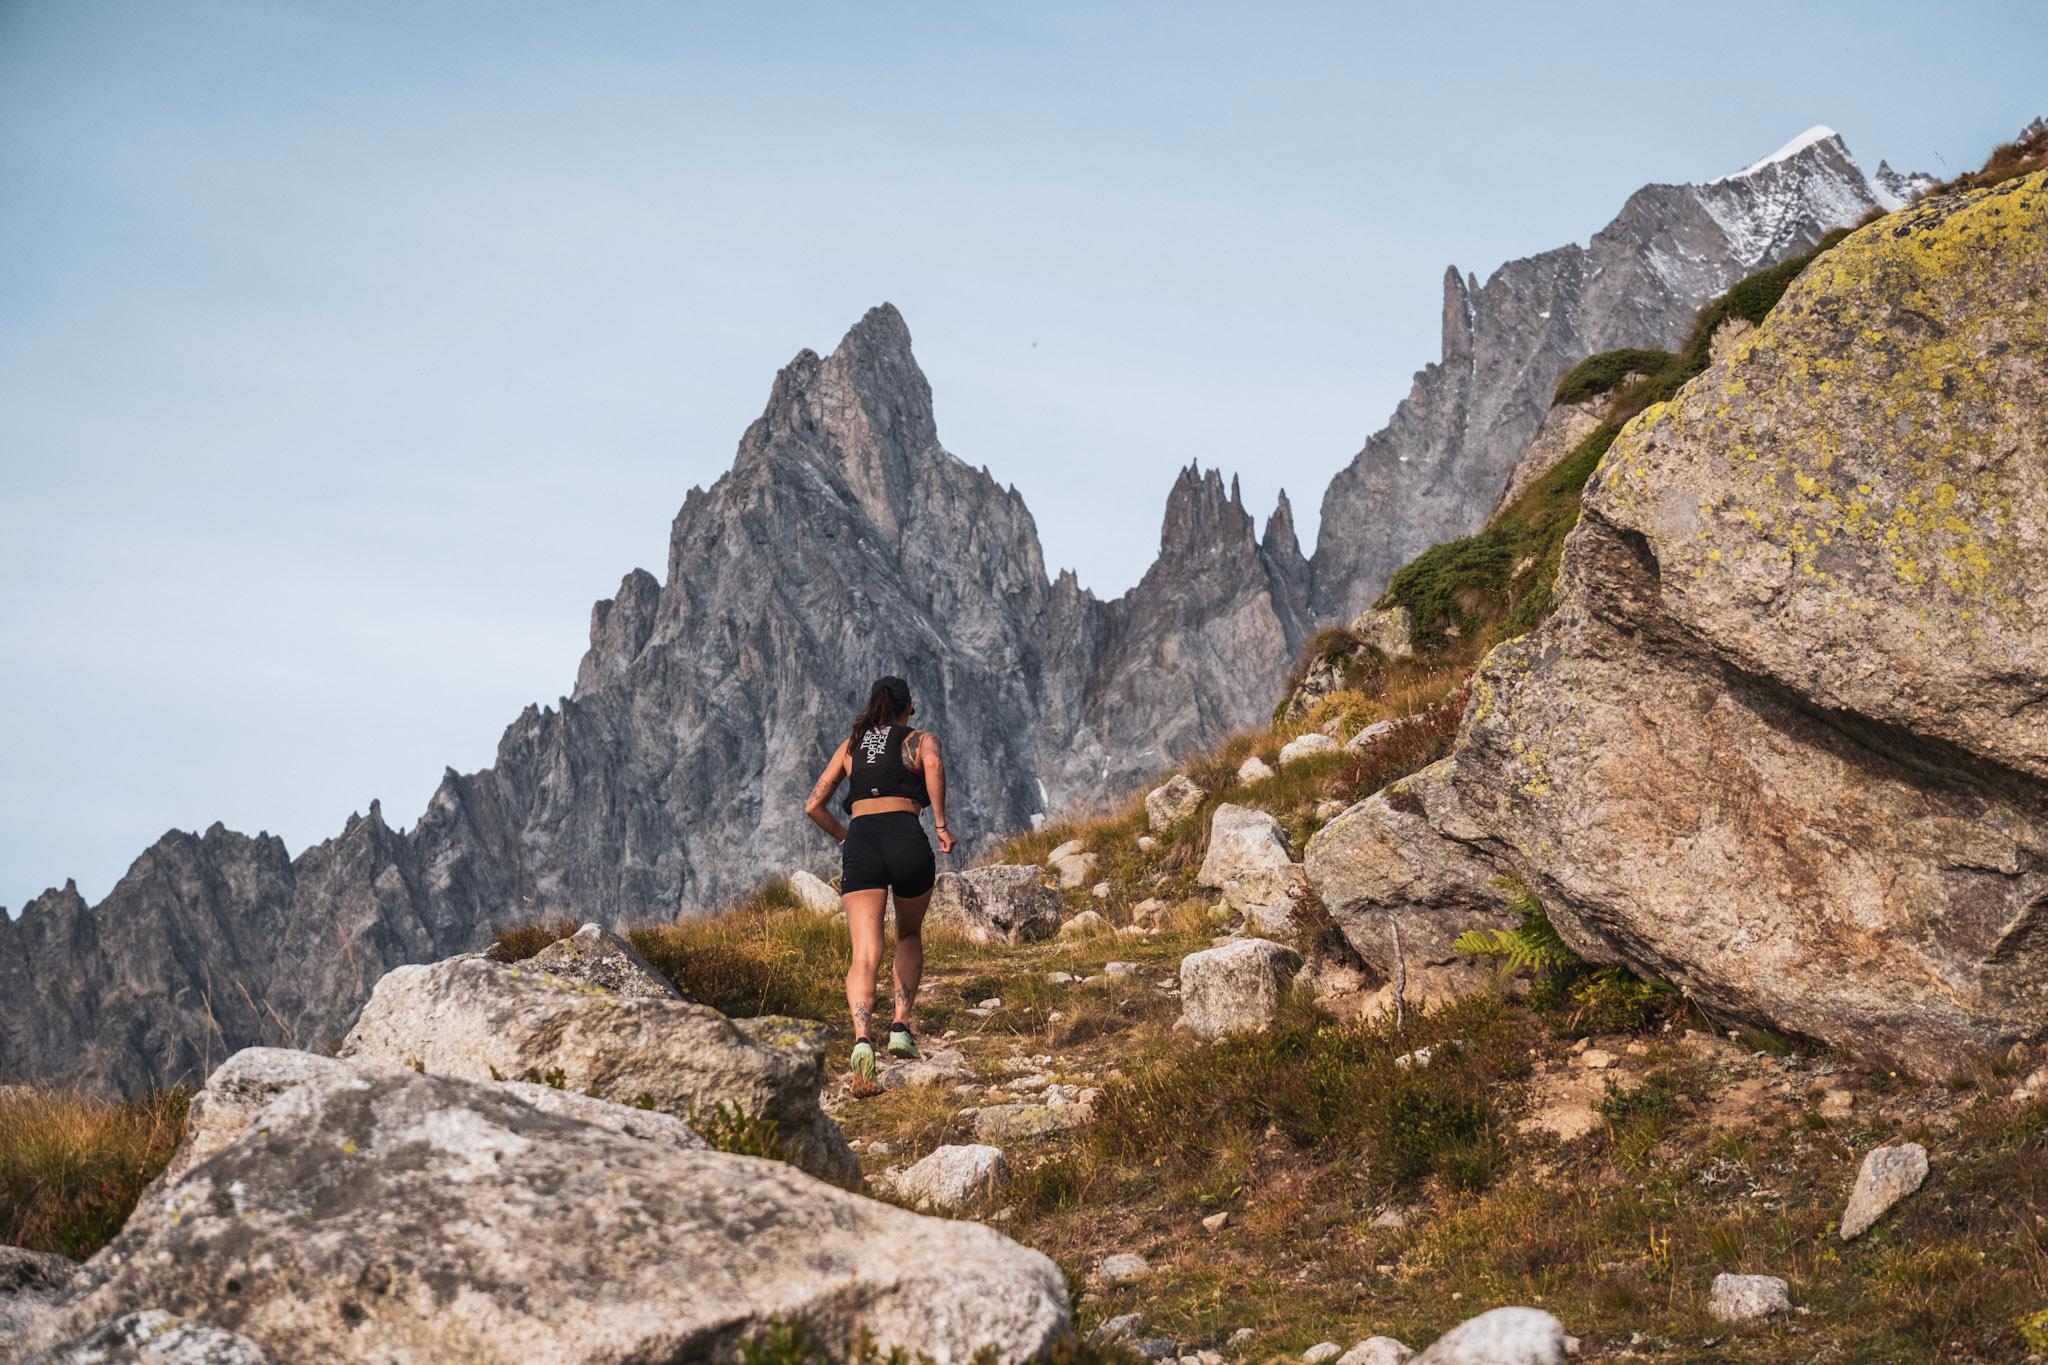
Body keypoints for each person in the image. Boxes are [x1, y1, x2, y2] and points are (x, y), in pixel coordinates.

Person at [803, 674, 955, 1083]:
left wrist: (845, 835)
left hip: (863, 843)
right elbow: (935, 766)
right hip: (906, 836)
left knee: (864, 950)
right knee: (908, 936)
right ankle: (901, 1026)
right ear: (909, 708)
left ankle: (861, 1037)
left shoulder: (851, 746)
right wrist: (940, 825)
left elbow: (814, 804)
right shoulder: (920, 739)